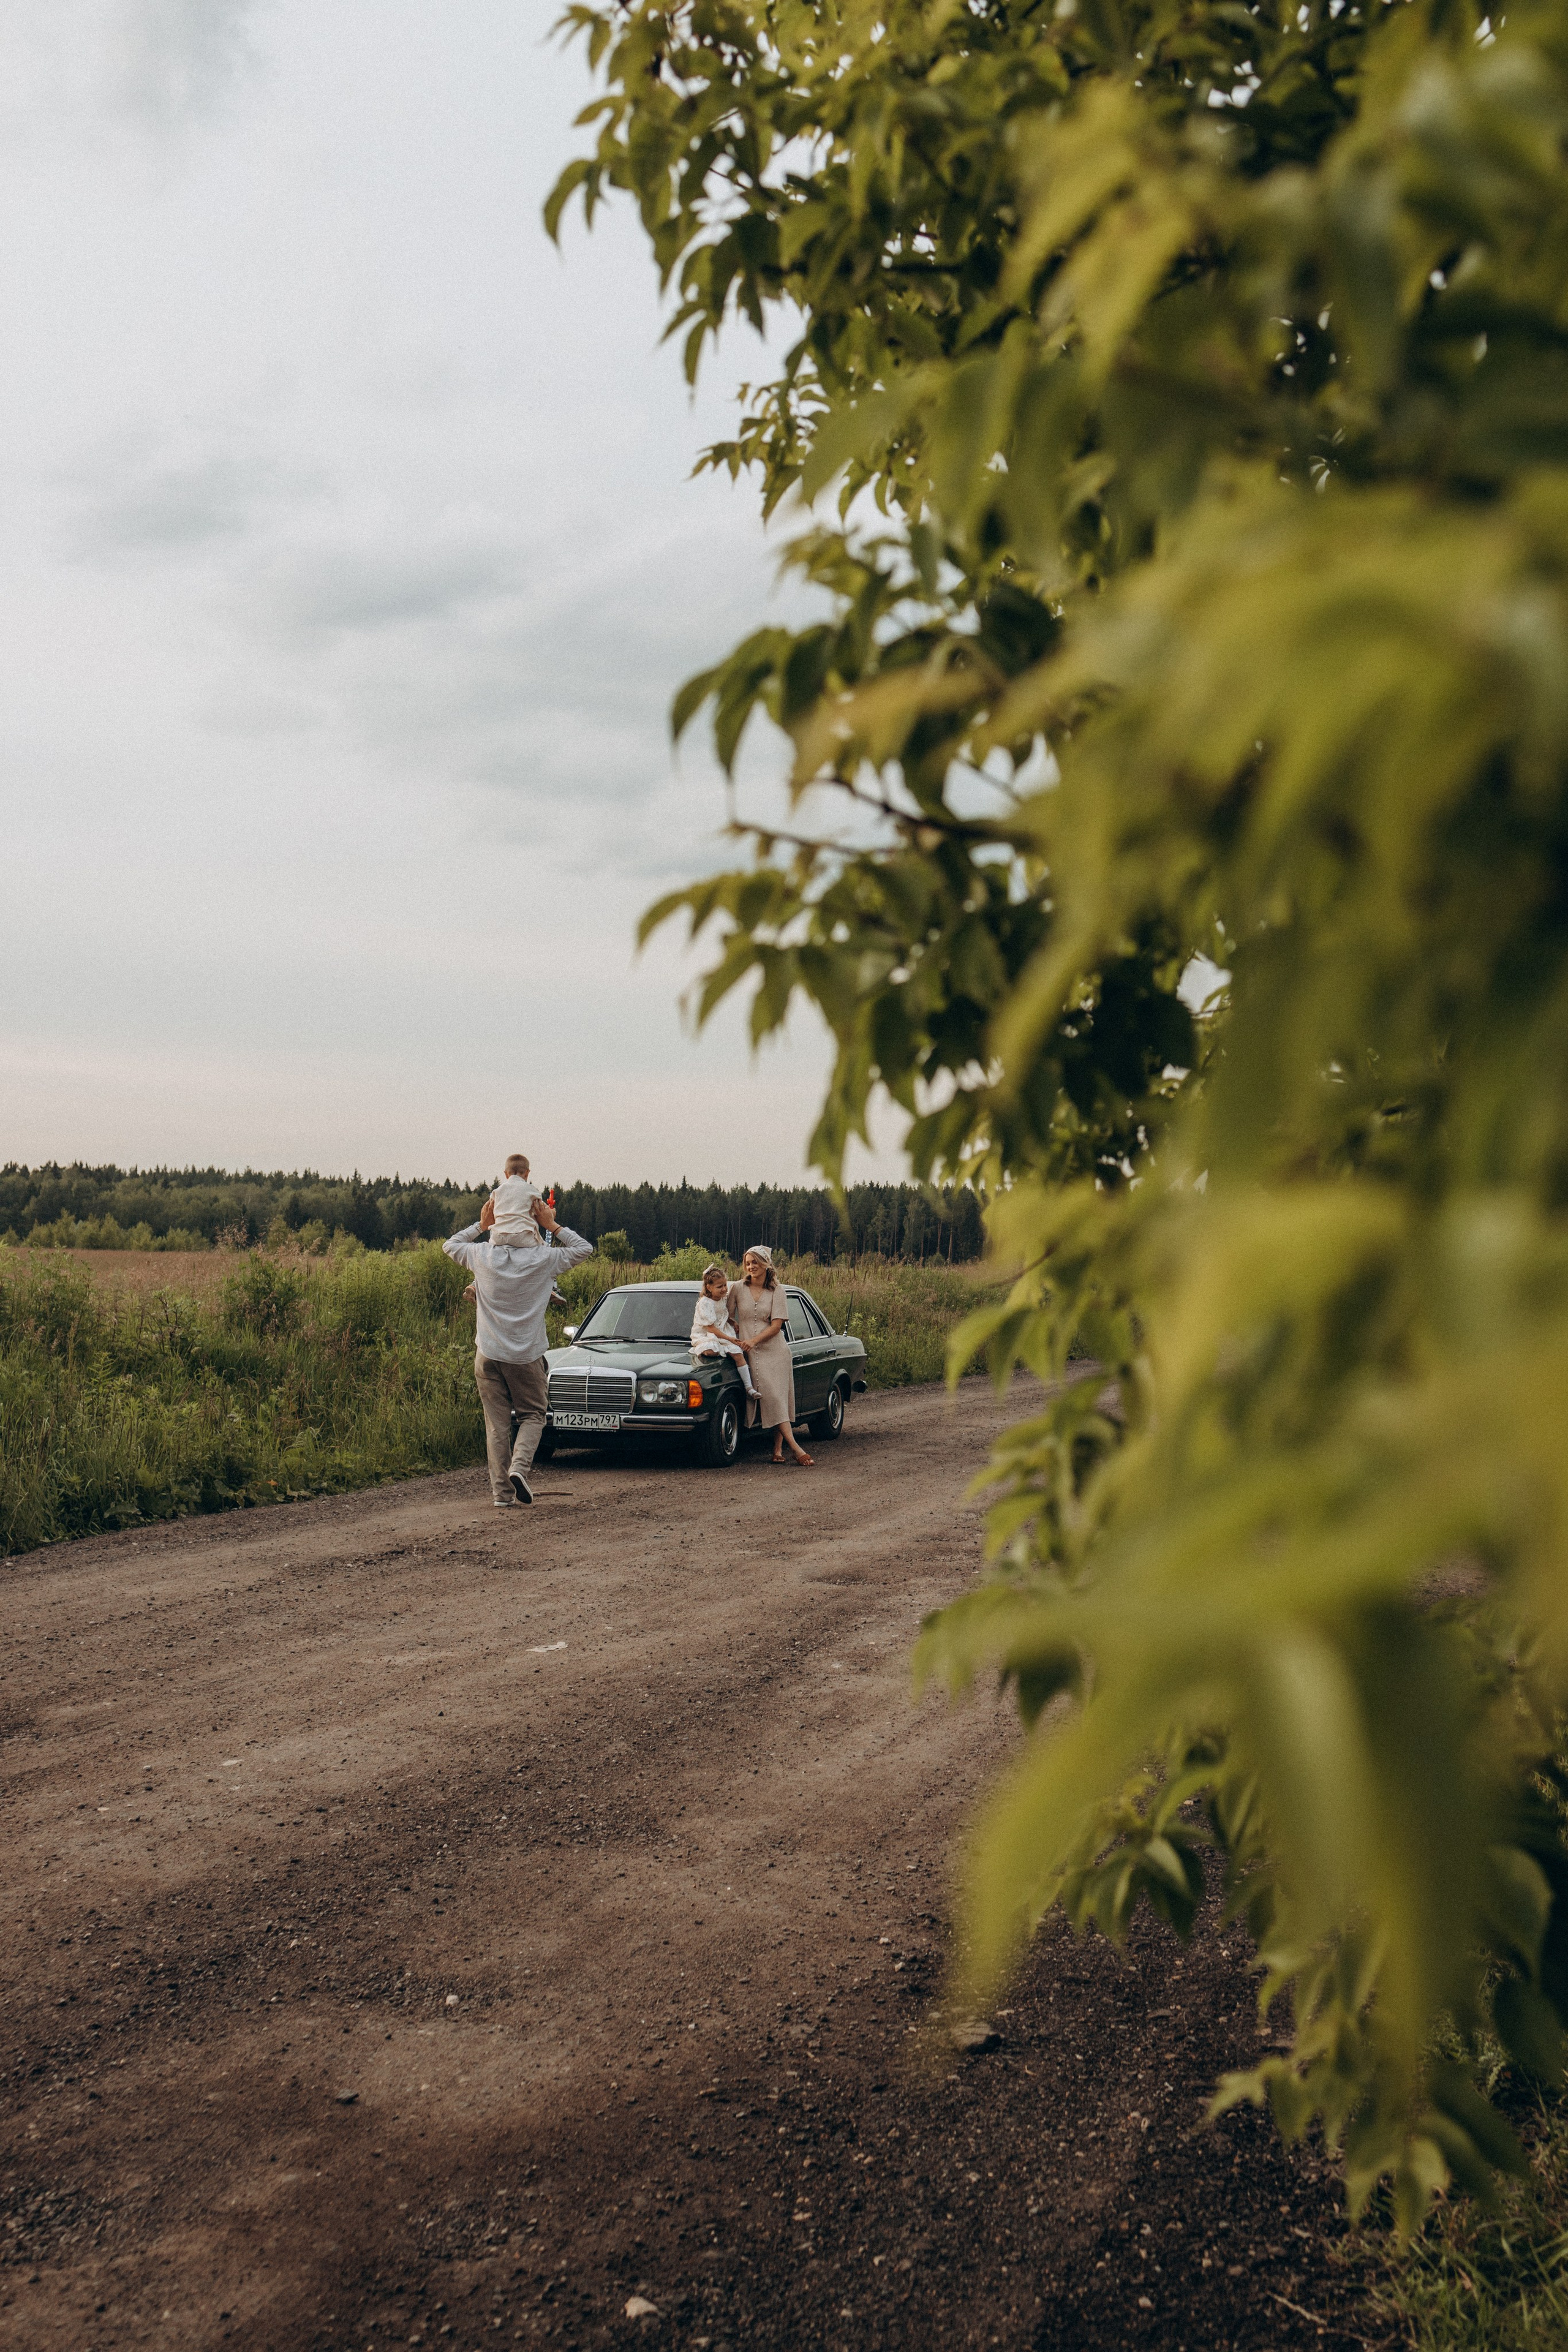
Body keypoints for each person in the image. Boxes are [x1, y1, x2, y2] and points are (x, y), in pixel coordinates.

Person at [443, 1191, 592, 1507]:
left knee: (497, 1425)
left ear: (499, 1220)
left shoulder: (481, 1255)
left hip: (488, 1354)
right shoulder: (544, 1258)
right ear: (531, 1223)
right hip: (525, 1355)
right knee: (534, 1415)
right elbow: (584, 1248)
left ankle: (502, 1496)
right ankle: (520, 1468)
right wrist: (553, 1226)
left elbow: (451, 1245)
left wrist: (480, 1225)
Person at [729, 1244, 812, 1466]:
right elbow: (725, 1316)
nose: (751, 1266)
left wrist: (753, 1341)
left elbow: (776, 1326)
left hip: (775, 1351)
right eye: (747, 1263)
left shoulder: (778, 1290)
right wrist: (733, 1326)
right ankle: (795, 1448)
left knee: (778, 1399)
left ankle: (779, 1450)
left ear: (765, 1264)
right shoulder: (737, 1288)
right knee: (772, 1398)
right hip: (750, 1354)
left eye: (755, 1262)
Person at [690, 1264, 760, 1415]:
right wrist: (730, 1338)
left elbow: (723, 1316)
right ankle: (715, 1350)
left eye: (725, 1285)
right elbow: (711, 1328)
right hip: (707, 1333)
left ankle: (749, 1388)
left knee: (738, 1355)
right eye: (720, 1287)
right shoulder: (704, 1303)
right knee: (711, 1350)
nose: (724, 1289)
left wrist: (732, 1322)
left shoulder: (722, 1299)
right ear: (709, 1288)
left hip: (721, 1331)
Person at [488, 1153, 544, 1248]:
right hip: (522, 1235)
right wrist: (552, 1213)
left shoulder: (497, 1192)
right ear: (527, 1173)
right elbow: (540, 1211)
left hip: (498, 1236)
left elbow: (490, 1211)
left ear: (506, 1174)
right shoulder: (531, 1190)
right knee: (543, 1247)